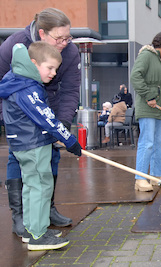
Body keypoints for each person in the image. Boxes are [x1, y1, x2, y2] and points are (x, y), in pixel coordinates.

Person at [0, 8, 81, 236]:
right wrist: (9, 117)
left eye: (68, 37)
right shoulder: (15, 44)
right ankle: (21, 216)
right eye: (60, 38)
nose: (66, 43)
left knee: (50, 159)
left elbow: (70, 89)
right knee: (20, 161)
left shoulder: (70, 51)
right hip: (19, 115)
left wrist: (62, 124)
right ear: (43, 33)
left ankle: (46, 209)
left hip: (49, 108)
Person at [130, 31, 161, 192]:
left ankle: (158, 175)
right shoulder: (146, 56)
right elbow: (135, 76)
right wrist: (149, 95)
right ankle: (140, 178)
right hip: (147, 108)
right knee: (147, 143)